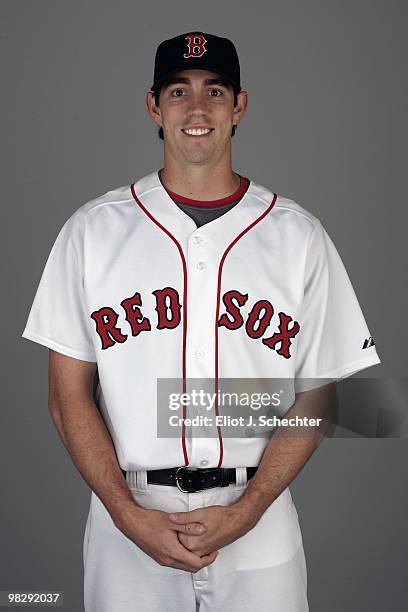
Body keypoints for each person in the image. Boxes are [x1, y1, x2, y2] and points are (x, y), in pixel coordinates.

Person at [21, 31, 381, 611]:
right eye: (178, 91)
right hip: (130, 520)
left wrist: (250, 508)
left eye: (215, 91)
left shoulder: (297, 235)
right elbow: (67, 396)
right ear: (154, 107)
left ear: (239, 106)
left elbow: (320, 398)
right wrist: (124, 513)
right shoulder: (92, 231)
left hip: (258, 516)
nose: (197, 108)